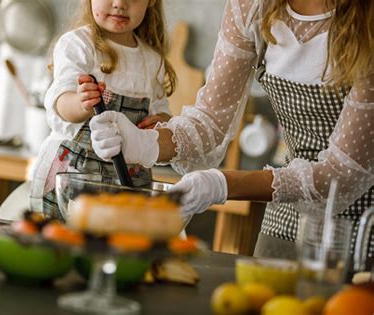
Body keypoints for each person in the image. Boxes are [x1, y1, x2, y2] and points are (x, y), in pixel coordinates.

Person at [90, 0, 373, 263]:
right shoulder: (252, 7)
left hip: (366, 227)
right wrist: (145, 143)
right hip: (289, 204)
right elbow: (210, 120)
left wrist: (221, 185)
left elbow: (342, 174)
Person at [29, 0, 176, 221]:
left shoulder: (152, 60)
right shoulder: (78, 44)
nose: (120, 4)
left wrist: (158, 124)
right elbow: (60, 102)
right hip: (74, 177)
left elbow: (163, 113)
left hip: (128, 182)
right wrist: (80, 103)